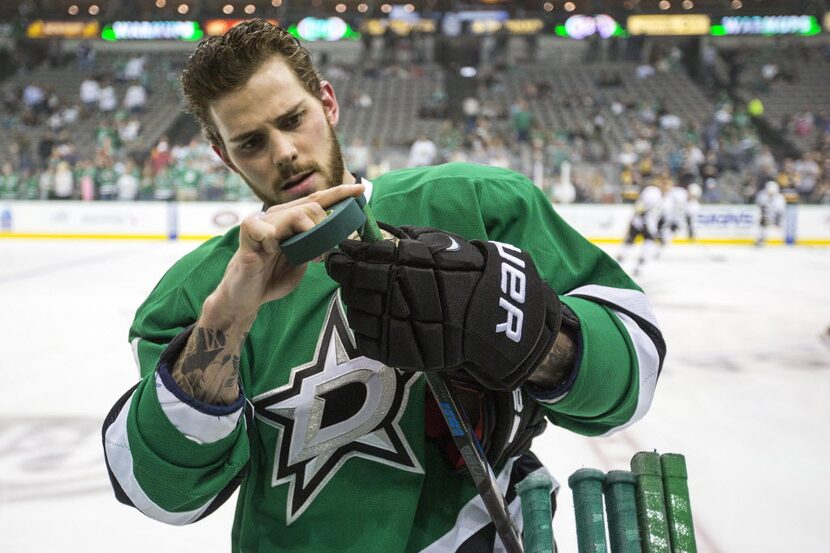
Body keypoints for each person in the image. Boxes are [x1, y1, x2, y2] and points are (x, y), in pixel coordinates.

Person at [101, 20, 665, 552]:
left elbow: (632, 373)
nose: (283, 152)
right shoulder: (195, 295)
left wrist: (534, 338)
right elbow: (166, 493)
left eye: (293, 119)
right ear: (224, 157)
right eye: (251, 142)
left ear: (328, 103)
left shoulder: (474, 203)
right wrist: (225, 321)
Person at [755, 180, 786, 247]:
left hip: (776, 216)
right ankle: (761, 239)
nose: (770, 194)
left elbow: (780, 212)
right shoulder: (762, 195)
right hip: (765, 215)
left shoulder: (780, 198)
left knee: (780, 228)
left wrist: (777, 221)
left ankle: (782, 241)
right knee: (762, 225)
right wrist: (764, 216)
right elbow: (760, 206)